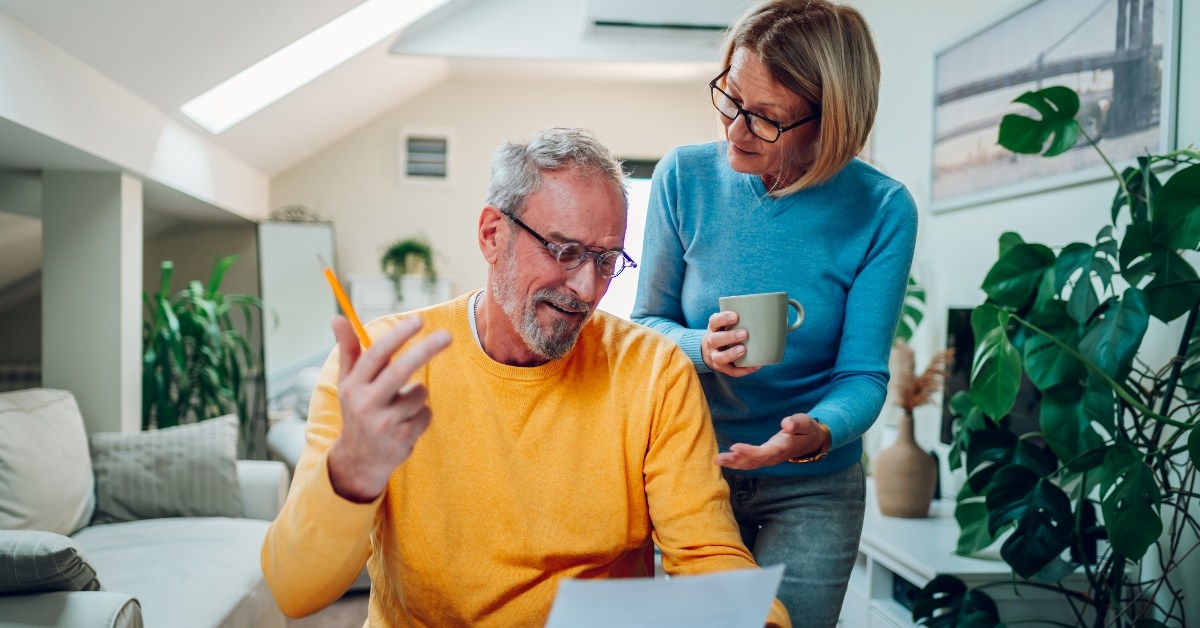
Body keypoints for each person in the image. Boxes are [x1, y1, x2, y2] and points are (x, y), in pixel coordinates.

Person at [261, 128, 790, 628]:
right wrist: (351, 470)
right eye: (564, 252)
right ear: (493, 235)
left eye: (606, 261)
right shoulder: (377, 366)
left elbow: (705, 550)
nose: (586, 287)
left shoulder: (654, 370)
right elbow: (295, 590)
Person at [631, 1, 919, 626]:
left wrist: (816, 432)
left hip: (815, 487)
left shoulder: (881, 209)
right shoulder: (684, 176)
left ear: (830, 123)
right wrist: (699, 349)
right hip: (696, 473)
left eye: (766, 118)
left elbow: (863, 376)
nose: (735, 129)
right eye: (731, 98)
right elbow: (645, 324)